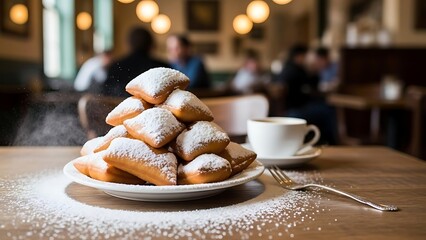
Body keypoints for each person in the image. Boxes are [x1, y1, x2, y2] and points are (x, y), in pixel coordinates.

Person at [278, 44, 337, 145]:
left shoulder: (288, 68)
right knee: (328, 110)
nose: (307, 59)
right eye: (305, 56)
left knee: (323, 107)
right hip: (295, 111)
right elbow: (308, 88)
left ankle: (320, 140)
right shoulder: (295, 70)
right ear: (299, 56)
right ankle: (332, 142)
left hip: (290, 109)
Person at [103, 27, 169, 97]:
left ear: (128, 44)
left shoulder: (116, 66)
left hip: (120, 106)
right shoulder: (161, 67)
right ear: (151, 44)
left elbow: (105, 93)